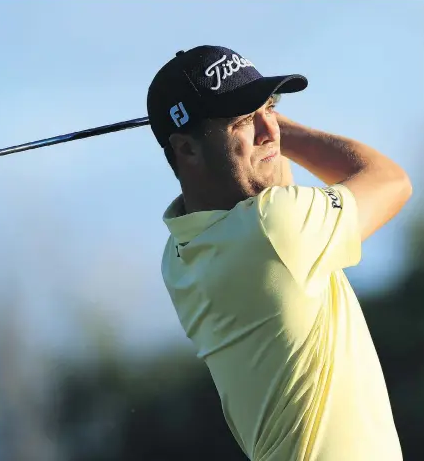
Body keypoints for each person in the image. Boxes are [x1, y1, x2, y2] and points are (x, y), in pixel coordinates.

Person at [147, 45, 411, 460]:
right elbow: (391, 181)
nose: (270, 131)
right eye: (244, 122)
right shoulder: (275, 228)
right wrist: (288, 130)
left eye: (271, 108)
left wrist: (256, 130)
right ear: (187, 149)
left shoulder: (179, 254)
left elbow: (264, 184)